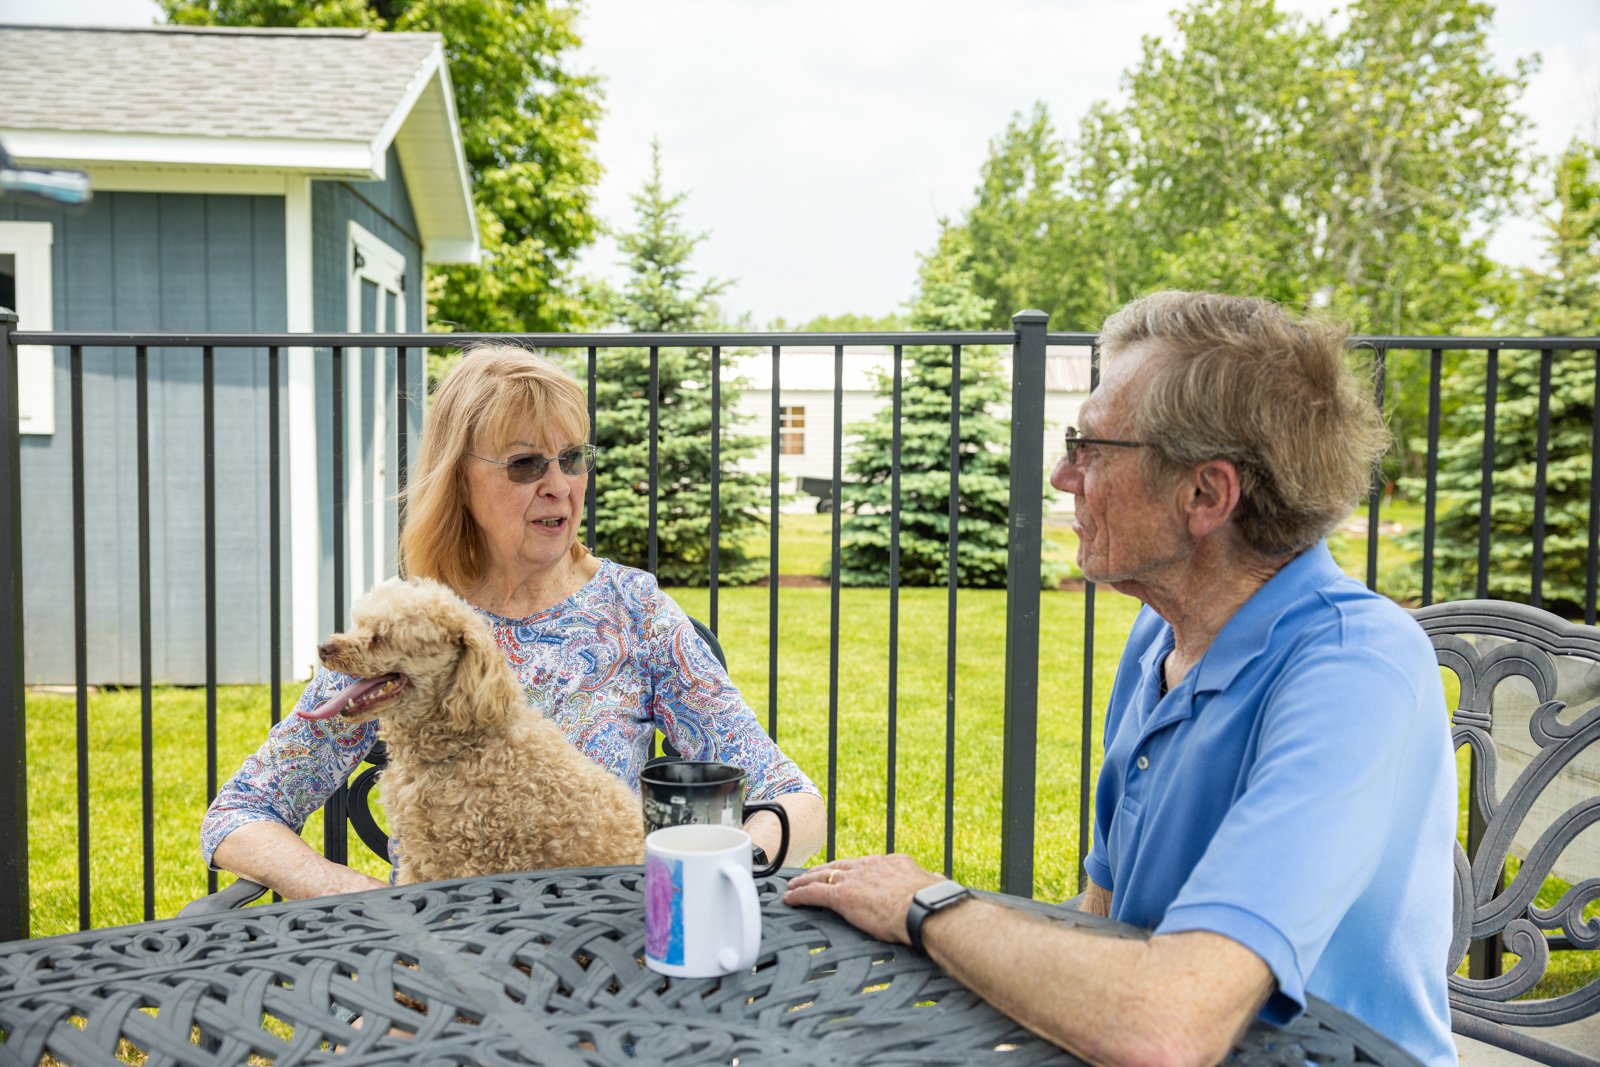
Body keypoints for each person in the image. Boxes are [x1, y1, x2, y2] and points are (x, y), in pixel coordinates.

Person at [786, 291, 1457, 1066]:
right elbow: (1101, 916)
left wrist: (925, 903)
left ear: (1206, 494)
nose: (1064, 473)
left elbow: (1168, 1024)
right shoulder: (1160, 636)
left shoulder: (1354, 670)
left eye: (1091, 446)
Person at [204, 346, 825, 897]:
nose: (560, 485)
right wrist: (358, 898)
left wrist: (719, 872)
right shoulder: (421, 627)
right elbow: (240, 812)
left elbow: (791, 795)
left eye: (573, 458)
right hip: (437, 963)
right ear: (459, 481)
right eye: (526, 464)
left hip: (603, 956)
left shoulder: (632, 611)